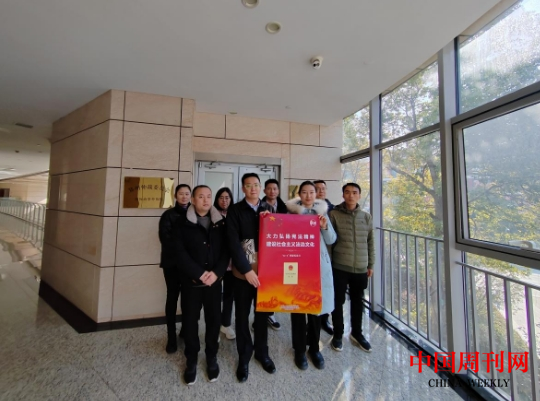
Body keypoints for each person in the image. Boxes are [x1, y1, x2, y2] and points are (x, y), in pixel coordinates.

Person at [174, 185, 229, 385]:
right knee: (190, 323)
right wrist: (199, 273)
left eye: (208, 196)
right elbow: (179, 253)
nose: (206, 200)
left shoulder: (221, 223)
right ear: (193, 200)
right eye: (201, 196)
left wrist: (217, 273)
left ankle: (211, 357)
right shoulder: (181, 223)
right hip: (191, 284)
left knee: (214, 322)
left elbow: (227, 251)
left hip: (214, 283)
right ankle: (191, 359)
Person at [227, 173, 276, 382]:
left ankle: (262, 353)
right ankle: (244, 356)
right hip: (243, 272)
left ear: (261, 187)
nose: (253, 188)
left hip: (266, 272)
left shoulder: (269, 209)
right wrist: (247, 270)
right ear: (243, 188)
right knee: (242, 315)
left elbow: (277, 238)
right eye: (249, 185)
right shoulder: (235, 210)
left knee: (262, 315)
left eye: (256, 185)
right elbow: (233, 243)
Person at [286, 181, 336, 370]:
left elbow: (331, 239)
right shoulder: (290, 214)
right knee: (298, 310)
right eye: (304, 192)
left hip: (317, 267)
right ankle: (299, 350)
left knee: (315, 310)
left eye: (311, 192)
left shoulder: (322, 213)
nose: (308, 196)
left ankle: (314, 348)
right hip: (297, 267)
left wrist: (324, 226)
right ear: (299, 194)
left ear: (316, 195)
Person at [329, 183, 375, 353]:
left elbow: (370, 242)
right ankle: (338, 334)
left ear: (359, 195)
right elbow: (330, 242)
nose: (351, 196)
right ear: (343, 195)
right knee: (338, 301)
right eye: (347, 192)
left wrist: (370, 264)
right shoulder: (334, 214)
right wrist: (328, 265)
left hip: (360, 267)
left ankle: (357, 333)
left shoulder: (366, 217)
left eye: (354, 193)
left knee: (358, 302)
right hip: (339, 266)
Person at [158, 184, 191, 354]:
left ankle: (185, 330)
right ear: (175, 196)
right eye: (181, 194)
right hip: (172, 264)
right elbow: (165, 239)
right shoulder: (168, 215)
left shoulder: (194, 213)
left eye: (187, 194)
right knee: (172, 298)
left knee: (188, 299)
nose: (184, 196)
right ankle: (171, 338)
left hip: (189, 266)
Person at [260, 178, 287, 331]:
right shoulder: (259, 206)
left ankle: (271, 314)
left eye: (275, 188)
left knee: (274, 284)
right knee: (261, 284)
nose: (272, 191)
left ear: (278, 191)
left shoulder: (285, 208)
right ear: (264, 191)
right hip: (263, 251)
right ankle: (259, 317)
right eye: (269, 188)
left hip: (279, 251)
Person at [213, 187, 236, 340]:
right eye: (221, 197)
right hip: (217, 262)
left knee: (229, 295)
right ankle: (214, 327)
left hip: (232, 263)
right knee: (214, 296)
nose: (224, 200)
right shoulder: (212, 214)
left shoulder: (234, 214)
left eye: (227, 197)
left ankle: (226, 324)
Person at [314, 180, 335, 335]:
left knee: (325, 295)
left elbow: (331, 238)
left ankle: (324, 320)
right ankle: (311, 326)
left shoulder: (331, 210)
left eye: (323, 188)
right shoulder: (301, 211)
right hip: (309, 260)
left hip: (327, 257)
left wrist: (325, 226)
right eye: (317, 189)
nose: (321, 191)